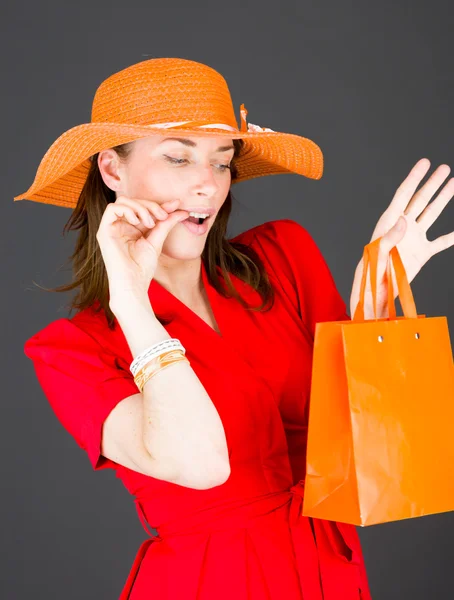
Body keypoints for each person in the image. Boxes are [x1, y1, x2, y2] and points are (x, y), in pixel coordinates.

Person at [14, 57, 454, 600]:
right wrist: (131, 299)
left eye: (222, 163)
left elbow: (363, 448)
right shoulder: (72, 349)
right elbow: (198, 465)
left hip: (329, 570)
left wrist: (376, 299)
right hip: (209, 582)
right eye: (179, 158)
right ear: (112, 171)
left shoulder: (283, 257)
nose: (207, 186)